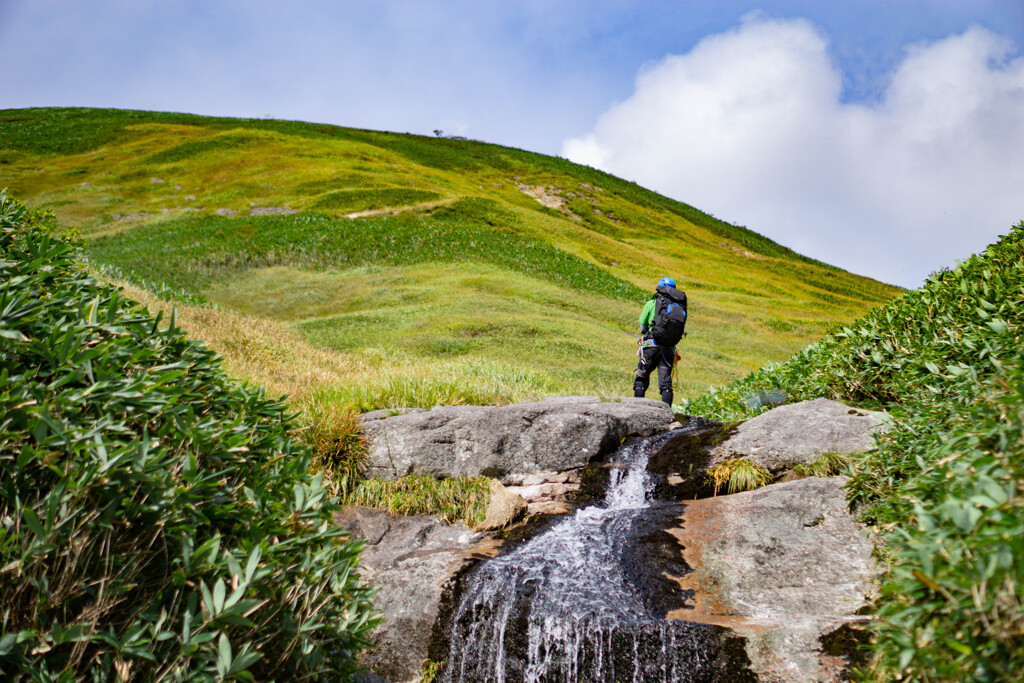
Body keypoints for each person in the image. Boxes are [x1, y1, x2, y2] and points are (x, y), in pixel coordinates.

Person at [633, 277, 686, 405]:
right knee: (665, 382)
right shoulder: (679, 308)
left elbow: (642, 328)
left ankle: (636, 408)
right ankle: (667, 413)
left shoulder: (651, 304)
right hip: (669, 348)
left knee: (641, 376)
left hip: (651, 345)